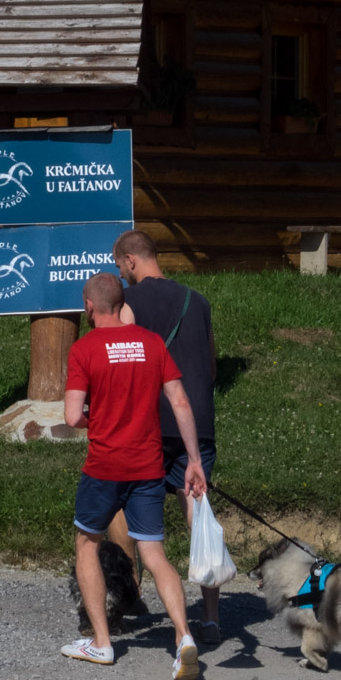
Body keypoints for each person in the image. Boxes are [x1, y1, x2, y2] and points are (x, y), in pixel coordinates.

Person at [61, 272, 209, 680]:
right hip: (149, 465)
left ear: (90, 306)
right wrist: (194, 460)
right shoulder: (152, 343)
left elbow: (73, 415)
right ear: (121, 303)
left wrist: (99, 418)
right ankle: (183, 638)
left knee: (87, 544)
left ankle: (102, 643)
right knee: (155, 553)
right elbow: (179, 400)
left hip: (105, 466)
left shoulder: (84, 348)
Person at [109, 229, 223, 644]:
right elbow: (211, 368)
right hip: (197, 422)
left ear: (131, 260)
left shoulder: (128, 303)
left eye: (120, 266)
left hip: (148, 424)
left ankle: (130, 595)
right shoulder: (200, 302)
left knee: (123, 502)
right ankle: (210, 617)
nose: (119, 274)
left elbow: (123, 363)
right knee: (199, 513)